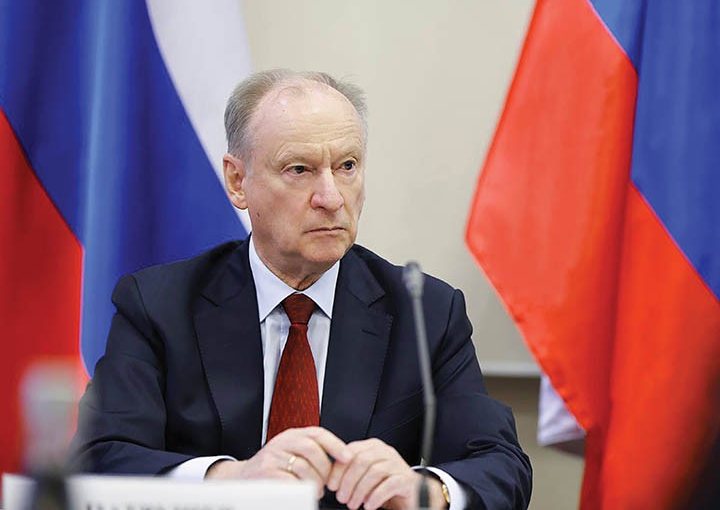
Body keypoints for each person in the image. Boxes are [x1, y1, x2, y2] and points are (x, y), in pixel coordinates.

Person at [70, 69, 532, 509]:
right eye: (299, 169)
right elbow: (99, 455)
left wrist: (426, 491)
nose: (331, 197)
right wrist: (231, 480)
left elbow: (501, 465)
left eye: (347, 166)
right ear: (237, 181)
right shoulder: (160, 305)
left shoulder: (425, 311)